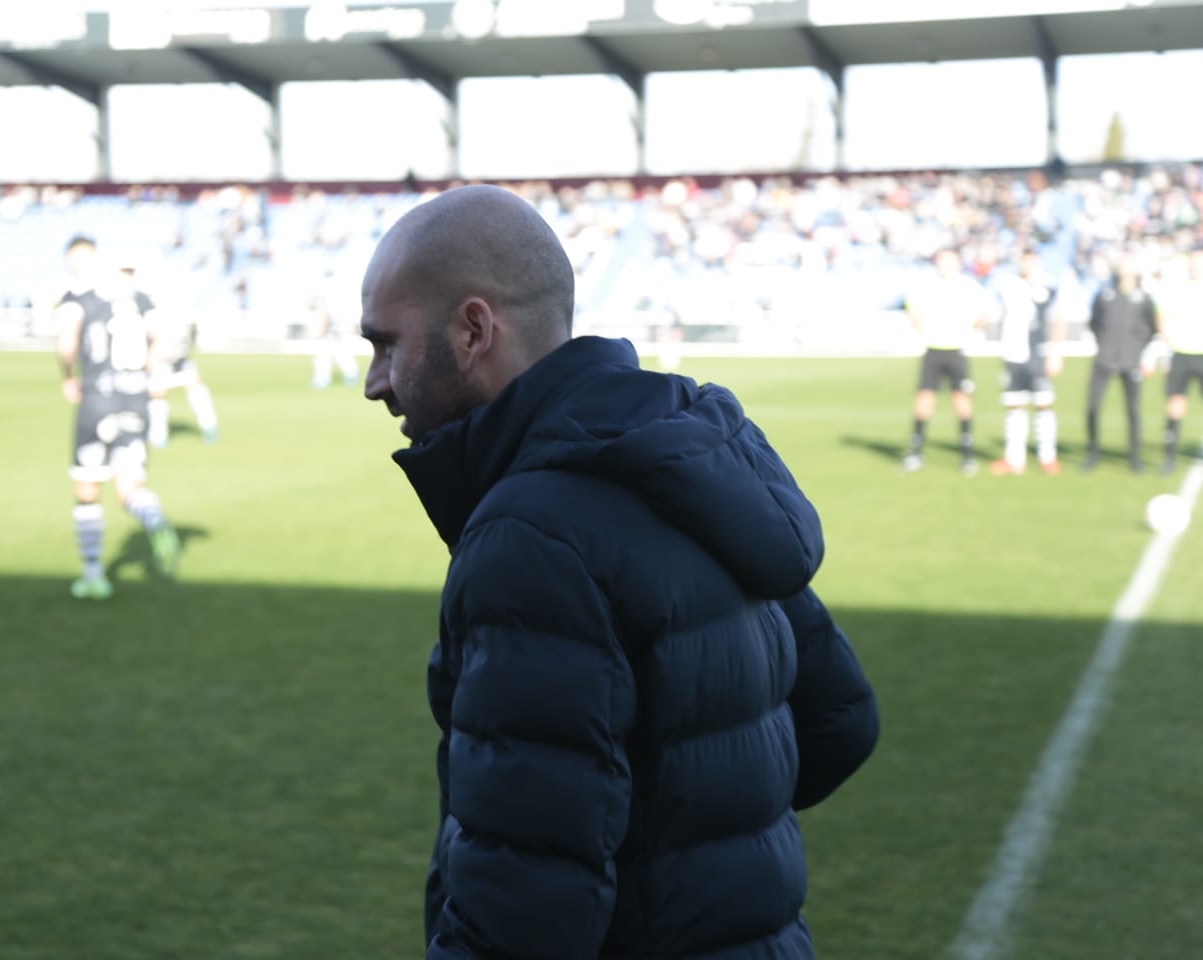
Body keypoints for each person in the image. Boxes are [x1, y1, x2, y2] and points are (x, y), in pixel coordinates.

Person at [360, 185, 878, 959]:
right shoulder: (687, 456)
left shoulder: (530, 533)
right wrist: (696, 840)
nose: (374, 382)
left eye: (385, 344)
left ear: (474, 330)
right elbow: (840, 723)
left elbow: (524, 909)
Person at [55, 234, 181, 599]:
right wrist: (147, 367)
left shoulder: (78, 295)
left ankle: (93, 575)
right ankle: (152, 517)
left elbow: (66, 344)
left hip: (97, 397)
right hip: (134, 399)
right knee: (128, 487)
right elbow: (167, 339)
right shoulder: (141, 299)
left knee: (88, 487)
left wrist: (67, 377)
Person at [901, 247, 991, 475]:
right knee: (924, 398)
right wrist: (921, 328)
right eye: (942, 260)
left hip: (956, 350)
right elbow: (913, 312)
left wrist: (967, 329)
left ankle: (966, 453)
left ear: (958, 263)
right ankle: (915, 451)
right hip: (933, 349)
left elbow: (984, 315)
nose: (945, 265)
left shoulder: (969, 286)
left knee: (961, 399)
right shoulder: (926, 286)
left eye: (950, 260)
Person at [989, 249, 1065, 475]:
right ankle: (1014, 458)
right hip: (1013, 354)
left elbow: (1058, 318)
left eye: (1031, 260)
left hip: (1037, 353)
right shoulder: (1007, 284)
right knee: (1015, 404)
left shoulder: (1047, 286)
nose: (1027, 264)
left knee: (1042, 403)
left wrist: (1055, 352)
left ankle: (1048, 456)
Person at [1082, 252, 1157, 473]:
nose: (1125, 269)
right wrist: (1104, 344)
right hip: (1104, 359)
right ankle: (1093, 452)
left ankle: (1135, 457)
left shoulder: (1143, 297)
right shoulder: (1105, 294)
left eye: (1129, 265)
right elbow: (1094, 322)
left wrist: (1137, 349)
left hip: (1130, 360)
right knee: (1092, 407)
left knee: (1133, 411)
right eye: (1123, 265)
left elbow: (1151, 327)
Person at [144, 276, 220, 448]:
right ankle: (159, 434)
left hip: (167, 359)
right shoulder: (167, 312)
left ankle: (208, 426)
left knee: (175, 390)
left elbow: (162, 339)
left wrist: (150, 360)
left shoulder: (160, 314)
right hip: (169, 360)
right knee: (161, 393)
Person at [1157, 246, 1203, 474]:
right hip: (1181, 353)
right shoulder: (1178, 289)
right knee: (1176, 405)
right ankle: (1169, 456)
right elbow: (1162, 317)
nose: (1197, 266)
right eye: (1194, 262)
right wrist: (1166, 347)